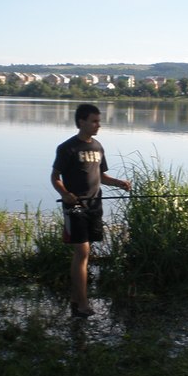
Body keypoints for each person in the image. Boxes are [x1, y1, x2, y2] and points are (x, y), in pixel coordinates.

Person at [51, 103, 131, 317]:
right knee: (82, 252)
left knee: (84, 255)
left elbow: (102, 177)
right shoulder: (67, 148)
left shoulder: (98, 147)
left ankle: (75, 299)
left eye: (99, 121)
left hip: (95, 206)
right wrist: (65, 194)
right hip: (75, 207)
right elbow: (55, 178)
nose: (98, 125)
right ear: (81, 122)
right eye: (94, 121)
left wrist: (119, 183)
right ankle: (83, 304)